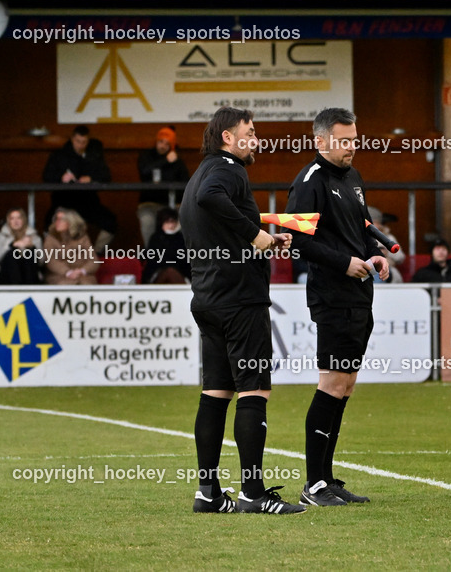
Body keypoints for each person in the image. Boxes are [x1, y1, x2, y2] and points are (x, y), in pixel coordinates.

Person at [179, 106, 304, 515]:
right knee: (254, 391)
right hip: (238, 299)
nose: (257, 140)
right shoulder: (227, 169)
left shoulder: (199, 172)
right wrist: (256, 236)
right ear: (228, 138)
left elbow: (210, 212)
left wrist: (263, 241)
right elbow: (210, 198)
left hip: (208, 297)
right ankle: (253, 492)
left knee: (216, 392)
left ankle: (208, 492)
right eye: (250, 132)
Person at [284, 107, 389, 508]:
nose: (351, 148)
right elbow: (298, 241)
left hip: (360, 293)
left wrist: (373, 254)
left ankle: (327, 479)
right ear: (321, 140)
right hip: (331, 295)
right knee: (331, 384)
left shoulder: (354, 178)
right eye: (343, 141)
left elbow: (360, 229)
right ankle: (313, 484)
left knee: (345, 386)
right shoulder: (309, 182)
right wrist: (343, 263)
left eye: (354, 140)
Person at [41, 125, 117, 253]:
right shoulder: (59, 156)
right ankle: (56, 256)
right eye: (78, 141)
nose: (81, 145)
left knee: (111, 222)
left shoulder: (94, 155)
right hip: (63, 201)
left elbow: (106, 176)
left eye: (84, 142)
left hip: (88, 201)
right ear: (72, 139)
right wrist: (61, 178)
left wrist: (90, 178)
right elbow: (46, 177)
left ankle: (95, 254)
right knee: (49, 225)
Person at [137, 126, 190, 245]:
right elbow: (144, 171)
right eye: (161, 142)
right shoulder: (146, 156)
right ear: (156, 141)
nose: (163, 146)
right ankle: (151, 256)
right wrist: (166, 160)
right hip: (149, 203)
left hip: (172, 204)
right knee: (147, 221)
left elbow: (186, 181)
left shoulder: (177, 160)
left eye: (167, 144)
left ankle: (181, 257)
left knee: (186, 218)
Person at [43, 208, 98, 286]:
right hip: (59, 276)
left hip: (83, 276)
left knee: (87, 284)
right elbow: (51, 260)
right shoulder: (51, 238)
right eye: (56, 219)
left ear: (71, 222)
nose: (57, 222)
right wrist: (67, 272)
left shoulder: (83, 238)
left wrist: (82, 271)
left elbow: (94, 260)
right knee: (64, 286)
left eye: (61, 219)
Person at [0, 207, 43, 285]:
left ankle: (28, 289)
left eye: (19, 218)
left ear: (23, 220)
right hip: (6, 276)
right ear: (8, 221)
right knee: (12, 254)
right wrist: (12, 245)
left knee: (30, 253)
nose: (16, 221)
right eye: (12, 218)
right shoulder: (0, 236)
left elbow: (42, 262)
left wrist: (32, 246)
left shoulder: (34, 237)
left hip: (29, 277)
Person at [141, 207, 190, 284]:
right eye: (167, 222)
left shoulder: (181, 239)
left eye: (173, 221)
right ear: (161, 222)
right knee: (169, 272)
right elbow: (152, 260)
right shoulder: (155, 238)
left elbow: (186, 261)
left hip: (181, 274)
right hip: (158, 274)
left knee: (171, 273)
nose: (171, 225)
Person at [368, 206, 405, 283]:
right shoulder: (358, 237)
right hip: (365, 270)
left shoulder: (387, 237)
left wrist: (386, 252)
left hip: (387, 269)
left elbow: (400, 257)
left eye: (375, 223)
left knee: (383, 272)